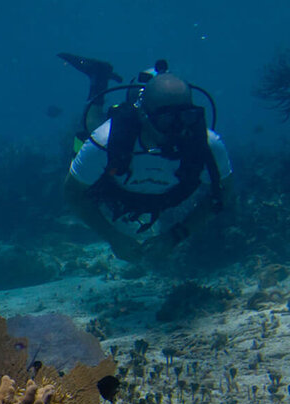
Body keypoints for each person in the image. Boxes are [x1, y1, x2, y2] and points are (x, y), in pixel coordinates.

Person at [60, 58, 234, 263]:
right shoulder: (106, 141)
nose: (177, 130)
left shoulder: (207, 144)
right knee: (91, 125)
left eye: (186, 117)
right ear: (143, 116)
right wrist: (113, 237)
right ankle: (99, 78)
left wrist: (176, 236)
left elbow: (223, 192)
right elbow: (73, 192)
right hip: (115, 187)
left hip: (167, 195)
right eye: (167, 120)